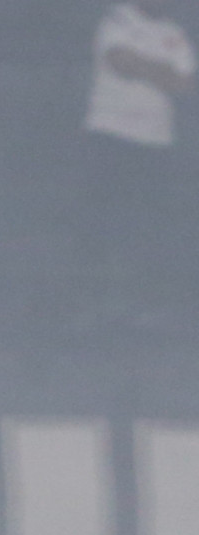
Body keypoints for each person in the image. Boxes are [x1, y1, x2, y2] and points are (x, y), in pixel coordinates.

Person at [80, 1, 194, 311]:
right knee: (108, 220)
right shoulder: (117, 19)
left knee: (149, 223)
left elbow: (183, 83)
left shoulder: (175, 32)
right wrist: (161, 70)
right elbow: (119, 61)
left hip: (156, 141)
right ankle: (99, 300)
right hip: (111, 136)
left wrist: (145, 66)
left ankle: (141, 303)